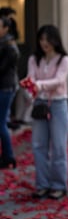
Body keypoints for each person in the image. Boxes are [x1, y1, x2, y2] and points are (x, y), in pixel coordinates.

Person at [23, 25, 68, 199]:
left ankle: (58, 185)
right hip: (39, 104)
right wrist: (29, 89)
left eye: (48, 39)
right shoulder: (34, 59)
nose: (45, 43)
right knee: (38, 146)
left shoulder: (63, 59)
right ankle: (42, 184)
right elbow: (30, 79)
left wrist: (38, 85)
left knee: (58, 146)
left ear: (55, 40)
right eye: (41, 39)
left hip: (58, 105)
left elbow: (59, 81)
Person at [0, 16, 19, 169]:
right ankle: (7, 156)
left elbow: (3, 68)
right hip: (4, 87)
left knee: (1, 123)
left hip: (5, 87)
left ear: (6, 28)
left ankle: (8, 156)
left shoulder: (9, 45)